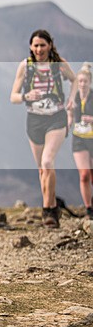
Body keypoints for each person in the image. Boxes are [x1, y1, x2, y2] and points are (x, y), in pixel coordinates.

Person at [10, 29, 76, 228]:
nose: (39, 49)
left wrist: (71, 102)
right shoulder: (25, 66)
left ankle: (49, 211)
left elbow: (74, 81)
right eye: (36, 45)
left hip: (56, 118)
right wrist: (25, 97)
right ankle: (53, 205)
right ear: (31, 46)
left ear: (50, 45)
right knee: (42, 169)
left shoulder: (59, 64)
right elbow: (12, 96)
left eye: (43, 45)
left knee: (48, 161)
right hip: (34, 120)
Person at [70, 63, 93, 219]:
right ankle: (89, 208)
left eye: (85, 81)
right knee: (84, 174)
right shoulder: (74, 97)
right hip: (78, 139)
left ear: (89, 81)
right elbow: (69, 116)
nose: (82, 84)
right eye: (80, 81)